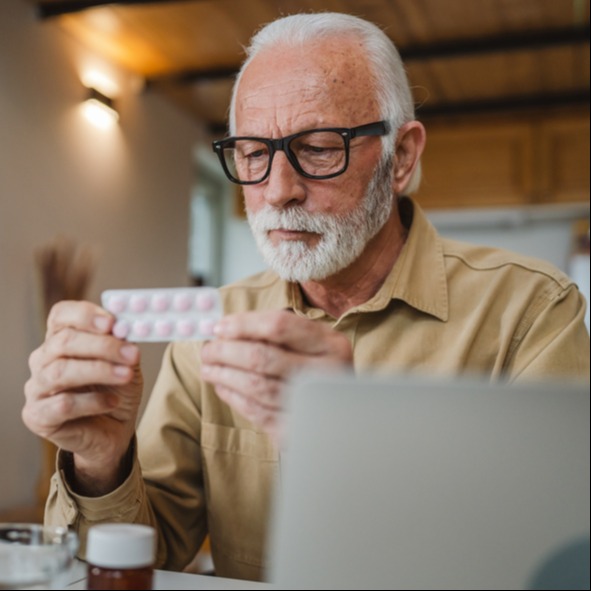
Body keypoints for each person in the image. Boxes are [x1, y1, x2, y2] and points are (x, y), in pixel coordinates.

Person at [22, 11, 589, 583]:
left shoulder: (530, 313)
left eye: (318, 148)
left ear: (403, 157)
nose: (277, 191)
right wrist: (101, 462)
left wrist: (355, 441)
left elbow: (561, 562)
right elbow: (156, 556)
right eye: (252, 152)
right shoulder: (211, 332)